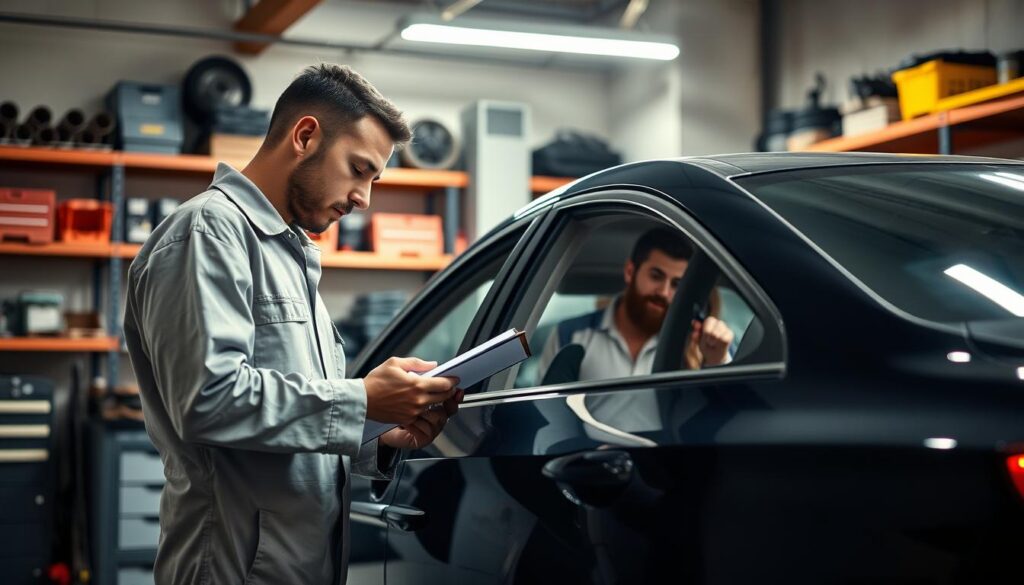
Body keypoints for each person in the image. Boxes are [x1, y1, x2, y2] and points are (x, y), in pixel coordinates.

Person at [123, 64, 461, 585]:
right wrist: (362, 401)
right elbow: (207, 400)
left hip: (296, 562)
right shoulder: (208, 233)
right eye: (358, 169)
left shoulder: (290, 252)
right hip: (233, 566)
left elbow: (293, 428)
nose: (364, 198)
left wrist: (378, 433)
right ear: (305, 136)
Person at [535, 228, 734, 440]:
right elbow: (545, 418)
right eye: (656, 276)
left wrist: (717, 360)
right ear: (630, 271)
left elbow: (726, 420)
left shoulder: (700, 344)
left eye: (677, 284)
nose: (664, 292)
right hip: (588, 464)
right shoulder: (571, 335)